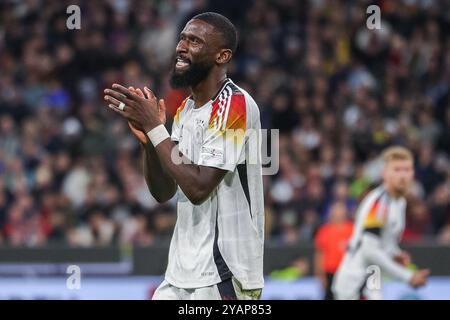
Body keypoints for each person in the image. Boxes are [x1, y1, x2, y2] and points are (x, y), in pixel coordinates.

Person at [104, 12, 264, 300]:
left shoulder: (234, 104)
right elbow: (164, 191)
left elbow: (199, 187)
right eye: (182, 38)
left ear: (222, 56)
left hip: (223, 273)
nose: (181, 46)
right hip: (180, 273)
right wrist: (150, 143)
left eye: (195, 41)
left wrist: (155, 127)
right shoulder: (186, 111)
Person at [332, 146, 430, 300]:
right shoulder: (380, 204)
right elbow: (368, 249)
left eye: (407, 169)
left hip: (372, 282)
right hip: (357, 285)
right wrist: (407, 276)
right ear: (384, 173)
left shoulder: (399, 202)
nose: (402, 175)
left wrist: (395, 254)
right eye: (396, 170)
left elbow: (382, 244)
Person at [314, 202, 353, 300]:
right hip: (330, 272)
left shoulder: (352, 229)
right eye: (336, 210)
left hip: (347, 272)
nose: (339, 212)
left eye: (341, 209)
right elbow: (319, 254)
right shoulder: (324, 231)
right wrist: (320, 275)